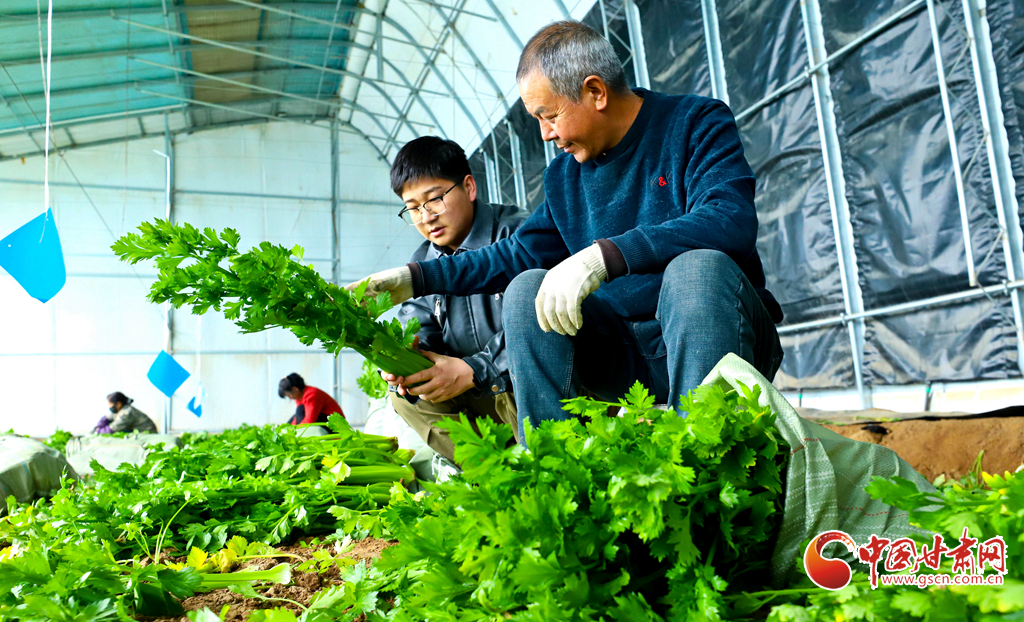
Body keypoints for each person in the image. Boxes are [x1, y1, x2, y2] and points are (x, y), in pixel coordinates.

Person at [349, 21, 784, 444]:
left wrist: (603, 257)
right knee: (526, 290)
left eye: (549, 116)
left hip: (718, 334)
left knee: (697, 269)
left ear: (595, 92)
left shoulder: (695, 122)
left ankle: (706, 455)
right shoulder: (565, 177)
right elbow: (514, 254)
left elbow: (728, 219)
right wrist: (414, 279)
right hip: (627, 356)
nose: (545, 134)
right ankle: (551, 462)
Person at [375, 136, 524, 464]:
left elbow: (543, 325)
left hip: (528, 387)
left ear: (469, 187)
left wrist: (478, 368)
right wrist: (405, 359)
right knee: (405, 397)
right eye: (413, 208)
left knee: (526, 369)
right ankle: (491, 471)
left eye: (434, 199)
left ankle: (537, 462)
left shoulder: (518, 236)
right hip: (479, 398)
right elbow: (418, 328)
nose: (426, 216)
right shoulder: (422, 264)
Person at [278, 373, 344, 425]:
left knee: (300, 410)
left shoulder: (311, 394)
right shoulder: (299, 397)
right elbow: (297, 418)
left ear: (295, 389)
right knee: (292, 419)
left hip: (335, 422)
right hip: (323, 418)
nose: (290, 398)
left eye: (289, 395)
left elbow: (309, 420)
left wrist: (296, 431)